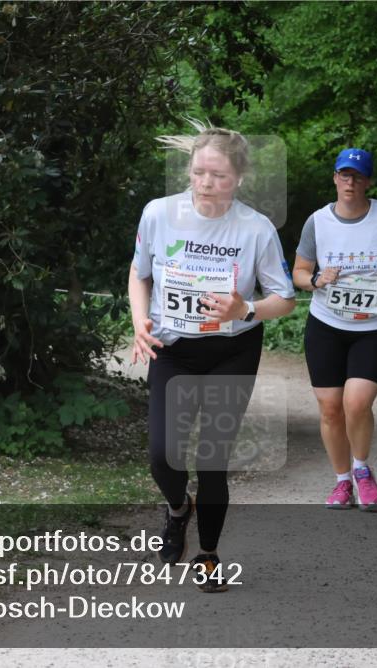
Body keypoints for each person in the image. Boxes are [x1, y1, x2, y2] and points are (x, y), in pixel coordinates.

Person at [129, 121, 296, 592]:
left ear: (238, 179)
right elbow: (139, 273)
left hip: (231, 352)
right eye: (200, 172)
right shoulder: (159, 214)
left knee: (212, 458)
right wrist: (140, 319)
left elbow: (284, 299)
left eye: (218, 176)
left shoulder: (256, 228)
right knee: (163, 456)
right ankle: (178, 508)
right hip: (173, 349)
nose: (206, 183)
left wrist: (246, 307)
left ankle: (208, 555)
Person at [293, 148, 377, 509]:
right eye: (344, 175)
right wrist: (316, 278)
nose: (350, 182)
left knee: (356, 402)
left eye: (358, 176)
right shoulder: (317, 221)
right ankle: (341, 481)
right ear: (334, 178)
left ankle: (362, 469)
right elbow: (299, 273)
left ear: (368, 182)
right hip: (327, 325)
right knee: (331, 408)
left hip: (374, 325)